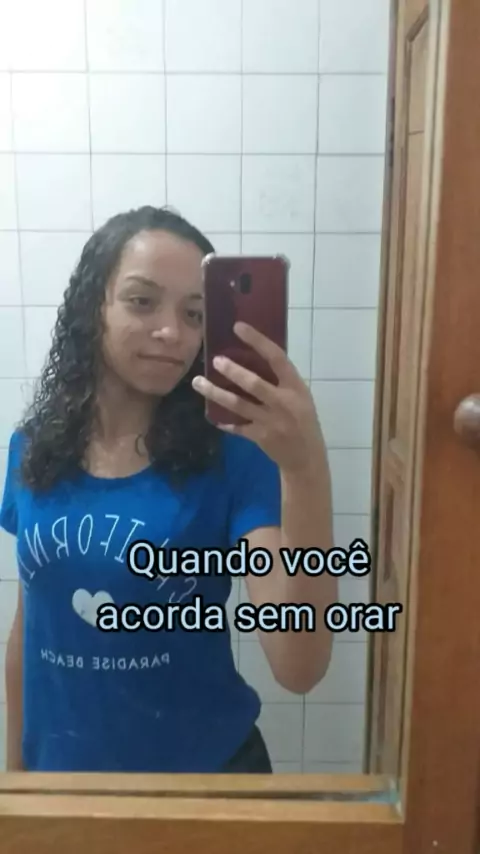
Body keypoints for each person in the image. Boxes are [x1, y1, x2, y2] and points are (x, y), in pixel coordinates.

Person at [1, 205, 336, 774]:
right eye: (142, 301)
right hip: (64, 783)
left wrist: (305, 470)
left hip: (203, 786)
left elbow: (298, 665)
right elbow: (30, 623)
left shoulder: (235, 453)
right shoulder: (34, 447)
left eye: (195, 314)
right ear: (94, 306)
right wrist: (15, 777)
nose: (172, 333)